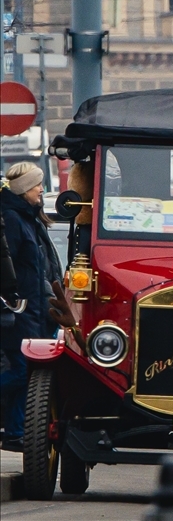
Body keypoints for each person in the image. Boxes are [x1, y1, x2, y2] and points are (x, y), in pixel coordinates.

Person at [0, 162, 62, 452]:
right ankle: (14, 430)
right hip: (22, 311)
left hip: (36, 310)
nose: (42, 189)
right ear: (25, 188)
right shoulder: (13, 220)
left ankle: (14, 432)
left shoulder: (29, 218)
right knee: (26, 371)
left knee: (28, 372)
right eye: (38, 184)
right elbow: (8, 267)